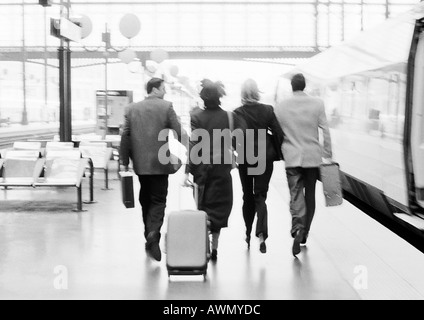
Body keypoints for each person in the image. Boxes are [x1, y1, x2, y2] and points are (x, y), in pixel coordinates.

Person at [120, 77, 188, 262]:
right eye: (163, 88)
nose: (165, 91)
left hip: (141, 165)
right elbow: (179, 132)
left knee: (145, 199)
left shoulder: (131, 108)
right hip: (160, 163)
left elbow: (125, 135)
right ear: (155, 89)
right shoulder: (166, 107)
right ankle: (153, 233)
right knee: (158, 200)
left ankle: (148, 235)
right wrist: (191, 150)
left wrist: (124, 161)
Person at [274, 73, 333, 256]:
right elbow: (325, 130)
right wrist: (328, 155)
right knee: (310, 196)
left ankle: (298, 226)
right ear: (304, 86)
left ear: (292, 86)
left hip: (292, 157)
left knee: (295, 194)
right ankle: (305, 232)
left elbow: (276, 132)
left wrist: (280, 150)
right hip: (312, 158)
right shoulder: (317, 103)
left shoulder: (281, 106)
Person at [183, 79, 239, 261]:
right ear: (219, 97)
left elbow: (194, 144)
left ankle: (205, 240)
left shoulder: (197, 117)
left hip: (202, 170)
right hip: (222, 169)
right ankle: (215, 247)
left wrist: (187, 171)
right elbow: (236, 142)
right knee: (220, 208)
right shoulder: (229, 117)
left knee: (203, 206)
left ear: (203, 99)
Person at [233, 78, 284, 254]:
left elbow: (234, 137)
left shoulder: (237, 113)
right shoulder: (267, 110)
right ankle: (261, 234)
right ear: (257, 92)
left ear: (242, 94)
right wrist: (276, 150)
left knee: (247, 196)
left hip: (245, 158)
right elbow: (279, 132)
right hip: (263, 157)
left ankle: (247, 232)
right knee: (260, 195)